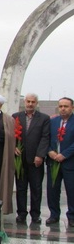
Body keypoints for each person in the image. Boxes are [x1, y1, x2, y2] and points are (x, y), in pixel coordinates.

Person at [12, 93, 50, 224]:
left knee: (36, 188)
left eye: (33, 102)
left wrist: (40, 155)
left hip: (36, 160)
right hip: (20, 160)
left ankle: (35, 214)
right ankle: (21, 213)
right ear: (24, 102)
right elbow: (11, 135)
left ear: (36, 103)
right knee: (21, 188)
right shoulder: (16, 117)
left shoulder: (44, 118)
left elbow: (45, 137)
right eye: (28, 101)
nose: (30, 104)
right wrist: (13, 147)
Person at [46, 97, 74, 226]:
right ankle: (54, 215)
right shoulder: (53, 121)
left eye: (66, 106)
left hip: (70, 162)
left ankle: (72, 216)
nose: (63, 108)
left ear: (72, 107)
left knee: (71, 190)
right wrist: (50, 151)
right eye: (61, 106)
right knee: (53, 190)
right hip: (53, 161)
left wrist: (64, 154)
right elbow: (45, 137)